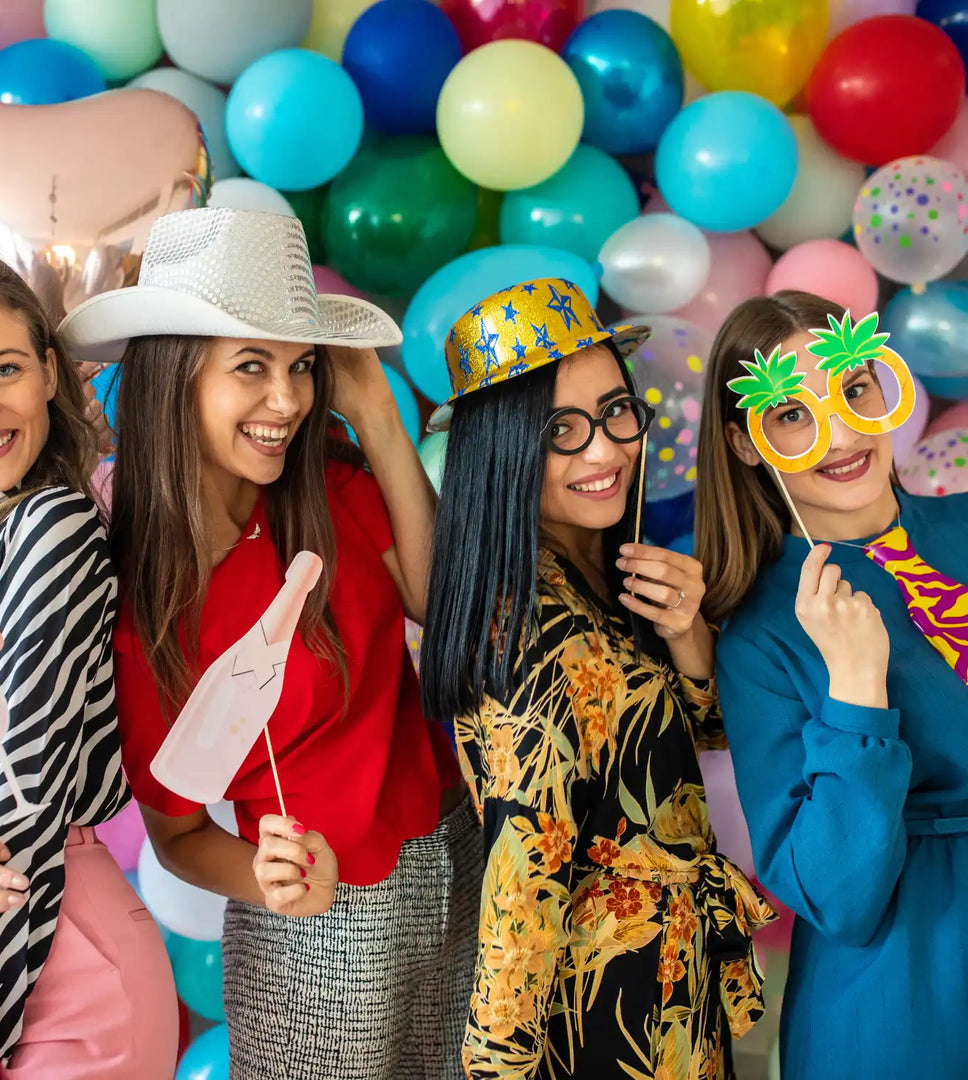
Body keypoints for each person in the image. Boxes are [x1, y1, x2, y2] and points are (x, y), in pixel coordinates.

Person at [59, 206, 479, 1080]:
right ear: (178, 378)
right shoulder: (140, 601)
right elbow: (175, 833)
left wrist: (378, 418)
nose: (286, 400)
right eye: (252, 366)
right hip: (316, 923)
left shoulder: (320, 482)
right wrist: (271, 882)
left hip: (454, 858)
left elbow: (438, 604)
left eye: (300, 366)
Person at [419, 278, 773, 1080]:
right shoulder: (527, 633)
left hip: (671, 993)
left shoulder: (603, 568)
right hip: (609, 1026)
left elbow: (686, 746)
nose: (606, 450)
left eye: (617, 412)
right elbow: (523, 892)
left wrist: (687, 636)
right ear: (505, 449)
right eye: (561, 431)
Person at [0, 247, 177, 1077]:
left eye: (3, 369)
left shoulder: (53, 526)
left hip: (47, 961)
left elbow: (22, 804)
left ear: (49, 373)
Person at [694, 289, 968, 1079]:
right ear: (746, 444)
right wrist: (855, 688)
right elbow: (837, 897)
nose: (840, 434)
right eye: (789, 413)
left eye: (851, 390)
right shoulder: (759, 636)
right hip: (904, 997)